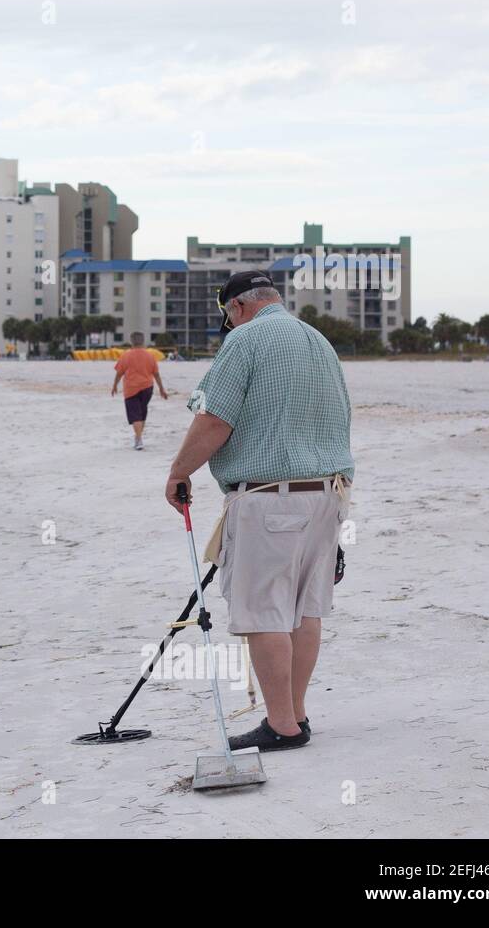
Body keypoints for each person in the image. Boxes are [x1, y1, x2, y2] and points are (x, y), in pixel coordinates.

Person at [163, 270, 354, 753]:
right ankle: (294, 714)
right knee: (304, 611)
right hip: (328, 495)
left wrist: (179, 472)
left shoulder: (246, 339)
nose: (229, 322)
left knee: (266, 612)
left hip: (272, 497)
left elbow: (214, 419)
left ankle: (282, 726)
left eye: (228, 314)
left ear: (239, 308)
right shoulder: (319, 341)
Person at [110, 332, 168, 450]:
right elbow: (156, 374)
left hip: (131, 389)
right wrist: (161, 388)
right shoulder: (150, 356)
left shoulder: (125, 356)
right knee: (141, 413)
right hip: (147, 388)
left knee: (136, 415)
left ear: (131, 341)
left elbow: (119, 373)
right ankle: (138, 437)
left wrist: (115, 385)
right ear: (143, 341)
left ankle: (139, 439)